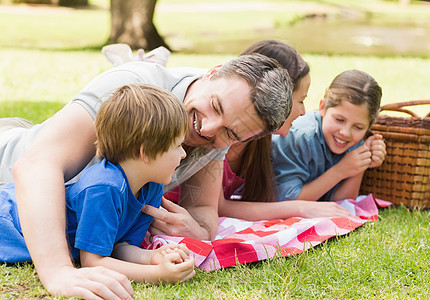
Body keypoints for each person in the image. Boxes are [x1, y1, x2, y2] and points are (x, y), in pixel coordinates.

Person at [0, 54, 292, 299]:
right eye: (215, 106)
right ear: (212, 73)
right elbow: (35, 165)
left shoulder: (215, 136)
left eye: (230, 133)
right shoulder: (136, 89)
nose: (208, 128)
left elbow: (202, 209)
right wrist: (57, 271)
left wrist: (195, 231)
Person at [0, 83, 195, 285]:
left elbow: (119, 247)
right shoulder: (104, 188)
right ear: (145, 153)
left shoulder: (150, 187)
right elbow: (92, 261)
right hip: (8, 224)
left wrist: (153, 258)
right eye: (177, 145)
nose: (183, 154)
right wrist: (157, 276)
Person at [165, 40, 353, 220]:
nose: (303, 111)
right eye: (300, 100)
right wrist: (301, 207)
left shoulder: (254, 140)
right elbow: (216, 206)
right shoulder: (217, 135)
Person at [272, 69, 386, 202]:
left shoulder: (354, 142)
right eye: (339, 120)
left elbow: (343, 202)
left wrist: (362, 159)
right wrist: (339, 171)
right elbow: (288, 201)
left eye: (358, 127)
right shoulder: (299, 137)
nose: (345, 133)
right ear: (322, 107)